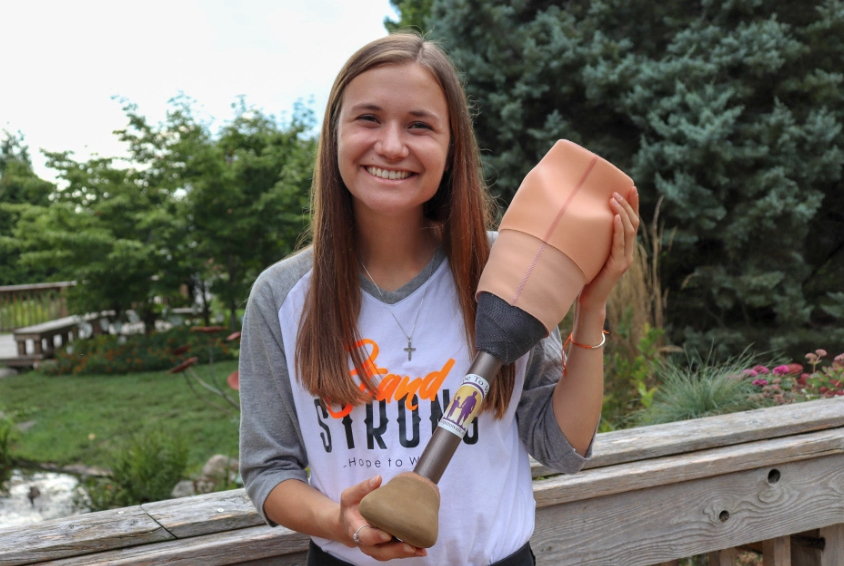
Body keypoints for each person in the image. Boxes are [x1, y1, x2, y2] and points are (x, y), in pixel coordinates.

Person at [239, 32, 639, 566]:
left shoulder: (510, 270)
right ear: (334, 134)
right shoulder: (282, 296)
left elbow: (560, 447)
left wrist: (592, 308)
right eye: (368, 118)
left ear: (452, 150)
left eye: (419, 125)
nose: (391, 145)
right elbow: (268, 471)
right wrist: (341, 522)